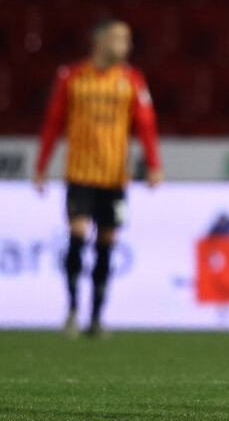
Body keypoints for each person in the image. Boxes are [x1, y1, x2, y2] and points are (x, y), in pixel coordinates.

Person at [33, 19, 163, 338]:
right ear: (100, 42)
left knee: (107, 241)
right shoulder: (72, 77)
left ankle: (96, 317)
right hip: (80, 172)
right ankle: (72, 309)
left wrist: (154, 164)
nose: (127, 45)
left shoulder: (132, 79)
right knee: (78, 232)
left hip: (115, 176)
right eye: (120, 38)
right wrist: (41, 165)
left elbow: (145, 124)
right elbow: (53, 122)